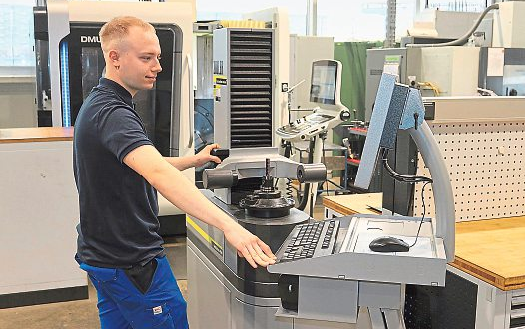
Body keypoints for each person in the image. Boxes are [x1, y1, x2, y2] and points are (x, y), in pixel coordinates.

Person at [73, 16, 276, 329]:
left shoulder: (102, 104)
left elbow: (140, 162)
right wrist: (229, 226)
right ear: (114, 57)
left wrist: (191, 161)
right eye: (146, 58)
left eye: (158, 57)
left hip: (103, 257)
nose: (157, 67)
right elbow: (156, 174)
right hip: (132, 261)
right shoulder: (114, 113)